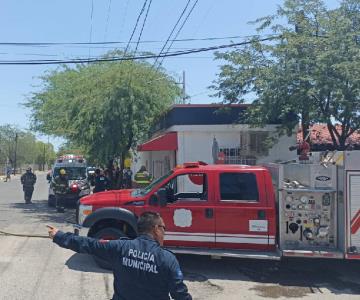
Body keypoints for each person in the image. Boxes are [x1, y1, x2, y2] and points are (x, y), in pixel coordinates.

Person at [47, 212, 192, 300]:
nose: (164, 233)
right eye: (164, 228)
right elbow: (180, 294)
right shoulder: (167, 259)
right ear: (155, 229)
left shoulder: (120, 248)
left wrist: (59, 236)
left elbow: (88, 244)